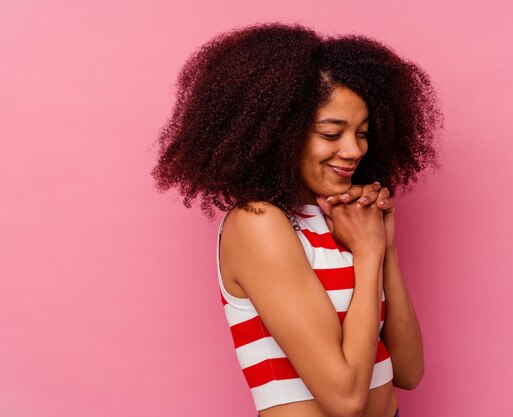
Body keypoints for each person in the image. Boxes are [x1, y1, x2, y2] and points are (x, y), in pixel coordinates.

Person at [152, 22, 443, 417]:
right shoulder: (259, 223)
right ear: (279, 133)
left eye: (362, 132)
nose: (353, 149)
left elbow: (408, 372)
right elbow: (345, 399)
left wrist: (383, 243)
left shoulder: (347, 218)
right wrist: (370, 254)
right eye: (331, 133)